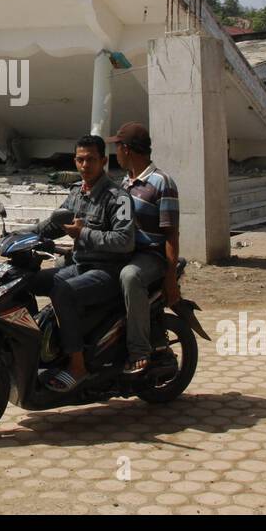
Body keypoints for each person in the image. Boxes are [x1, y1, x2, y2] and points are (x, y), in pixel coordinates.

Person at [33, 135, 135, 391]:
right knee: (27, 281)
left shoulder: (117, 198)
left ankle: (77, 366)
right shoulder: (77, 193)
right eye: (80, 159)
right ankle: (38, 347)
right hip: (80, 266)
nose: (85, 165)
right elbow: (55, 224)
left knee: (62, 292)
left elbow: (125, 240)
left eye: (91, 159)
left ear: (103, 161)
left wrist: (84, 234)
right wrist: (22, 236)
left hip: (107, 271)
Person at [107, 123, 180, 376]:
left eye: (117, 146)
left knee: (130, 276)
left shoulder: (162, 183)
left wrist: (170, 278)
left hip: (151, 256)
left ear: (126, 150)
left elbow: (171, 234)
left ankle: (139, 350)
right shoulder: (124, 183)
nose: (115, 153)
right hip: (125, 252)